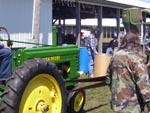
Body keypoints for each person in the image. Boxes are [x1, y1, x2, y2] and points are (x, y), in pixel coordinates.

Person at [108, 31, 150, 113]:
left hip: (117, 103)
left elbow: (108, 78)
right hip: (132, 106)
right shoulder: (135, 58)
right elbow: (143, 84)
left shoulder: (115, 56)